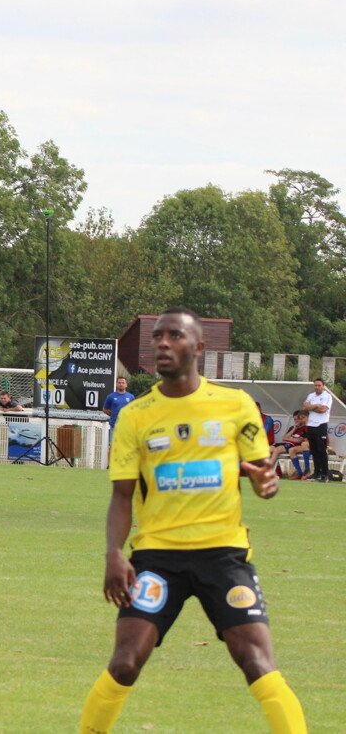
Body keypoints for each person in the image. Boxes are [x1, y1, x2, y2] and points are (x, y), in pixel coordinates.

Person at [79, 308, 305, 734]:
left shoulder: (235, 405)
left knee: (257, 662)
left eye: (175, 336)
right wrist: (113, 553)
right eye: (158, 336)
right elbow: (122, 494)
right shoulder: (135, 416)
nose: (163, 343)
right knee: (125, 663)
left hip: (224, 555)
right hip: (157, 557)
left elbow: (260, 471)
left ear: (199, 347)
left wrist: (266, 483)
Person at [303, 378, 333, 482]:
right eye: (315, 385)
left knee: (321, 450)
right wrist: (315, 405)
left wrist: (311, 407)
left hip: (321, 425)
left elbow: (323, 410)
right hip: (311, 425)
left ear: (323, 386)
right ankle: (316, 473)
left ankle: (325, 474)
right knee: (314, 450)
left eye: (319, 385)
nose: (317, 387)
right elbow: (305, 406)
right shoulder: (311, 395)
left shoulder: (327, 396)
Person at [269, 410, 310, 480]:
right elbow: (283, 438)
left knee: (277, 450)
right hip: (286, 444)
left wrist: (288, 439)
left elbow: (299, 440)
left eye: (297, 419)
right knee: (268, 449)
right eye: (294, 419)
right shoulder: (292, 428)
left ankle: (268, 472)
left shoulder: (305, 428)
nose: (296, 421)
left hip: (292, 445)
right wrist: (294, 429)